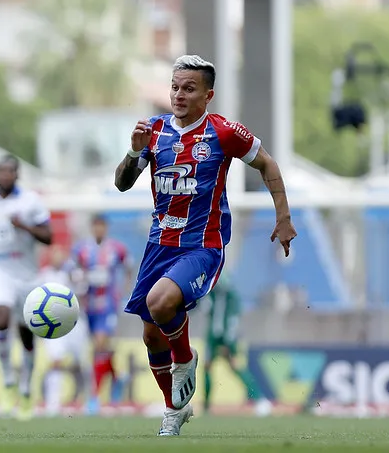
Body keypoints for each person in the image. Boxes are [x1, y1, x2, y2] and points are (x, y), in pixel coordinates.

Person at [113, 54, 297, 436]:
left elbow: (268, 164)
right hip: (157, 246)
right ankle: (173, 410)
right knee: (150, 334)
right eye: (175, 87)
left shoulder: (223, 132)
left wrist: (283, 217)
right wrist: (134, 151)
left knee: (160, 302)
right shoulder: (156, 132)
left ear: (208, 95)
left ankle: (186, 358)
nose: (179, 95)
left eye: (189, 88)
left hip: (202, 246)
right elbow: (122, 183)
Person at [0, 154, 52, 420]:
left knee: (27, 335)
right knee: (1, 315)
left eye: (10, 172)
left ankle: (27, 390)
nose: (5, 176)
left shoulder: (31, 202)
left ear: (17, 175)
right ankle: (8, 381)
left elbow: (49, 236)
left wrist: (25, 226)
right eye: (1, 172)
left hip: (27, 277)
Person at [69, 214, 132, 414]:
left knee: (100, 344)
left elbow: (129, 268)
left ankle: (94, 397)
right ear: (91, 227)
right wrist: (79, 282)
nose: (99, 230)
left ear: (106, 227)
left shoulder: (117, 248)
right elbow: (73, 271)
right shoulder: (81, 249)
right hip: (89, 305)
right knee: (98, 349)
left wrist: (124, 292)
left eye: (102, 226)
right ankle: (117, 378)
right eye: (95, 226)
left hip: (108, 305)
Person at [202, 276, 272, 416]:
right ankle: (206, 405)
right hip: (214, 336)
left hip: (224, 338)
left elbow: (231, 320)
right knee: (209, 367)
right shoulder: (214, 295)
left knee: (234, 366)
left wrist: (228, 342)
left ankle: (259, 399)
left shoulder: (229, 297)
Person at [39, 245, 89, 417]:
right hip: (53, 324)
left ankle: (84, 399)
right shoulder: (43, 275)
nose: (57, 258)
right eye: (54, 255)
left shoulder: (72, 272)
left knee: (78, 363)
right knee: (56, 360)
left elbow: (83, 291)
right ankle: (53, 403)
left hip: (75, 322)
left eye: (60, 255)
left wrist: (74, 277)